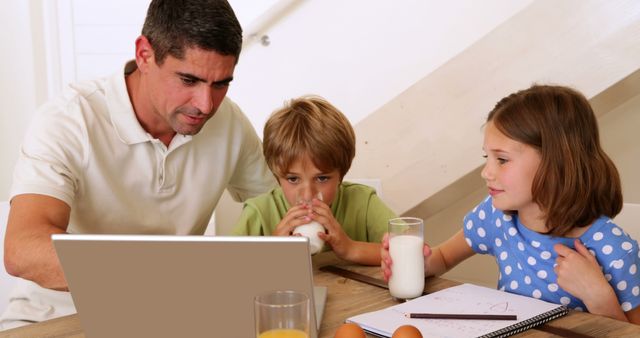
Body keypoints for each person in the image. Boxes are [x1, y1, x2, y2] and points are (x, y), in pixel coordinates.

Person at [1, 0, 276, 329]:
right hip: (58, 317)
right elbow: (22, 250)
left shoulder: (228, 121)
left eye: (221, 84)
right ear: (145, 54)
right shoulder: (69, 120)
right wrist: (167, 272)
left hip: (167, 314)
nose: (205, 105)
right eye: (188, 80)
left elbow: (276, 204)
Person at [381, 84, 640, 323]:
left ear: (555, 164)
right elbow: (443, 257)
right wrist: (415, 264)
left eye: (502, 160)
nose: (486, 172)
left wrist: (599, 297)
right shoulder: (496, 216)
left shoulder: (615, 251)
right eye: (487, 157)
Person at [233, 96, 396, 265]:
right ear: (277, 175)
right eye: (293, 179)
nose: (308, 195)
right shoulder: (260, 211)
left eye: (322, 178)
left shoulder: (362, 202)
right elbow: (226, 267)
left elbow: (408, 253)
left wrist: (350, 248)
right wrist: (273, 250)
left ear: (341, 173)